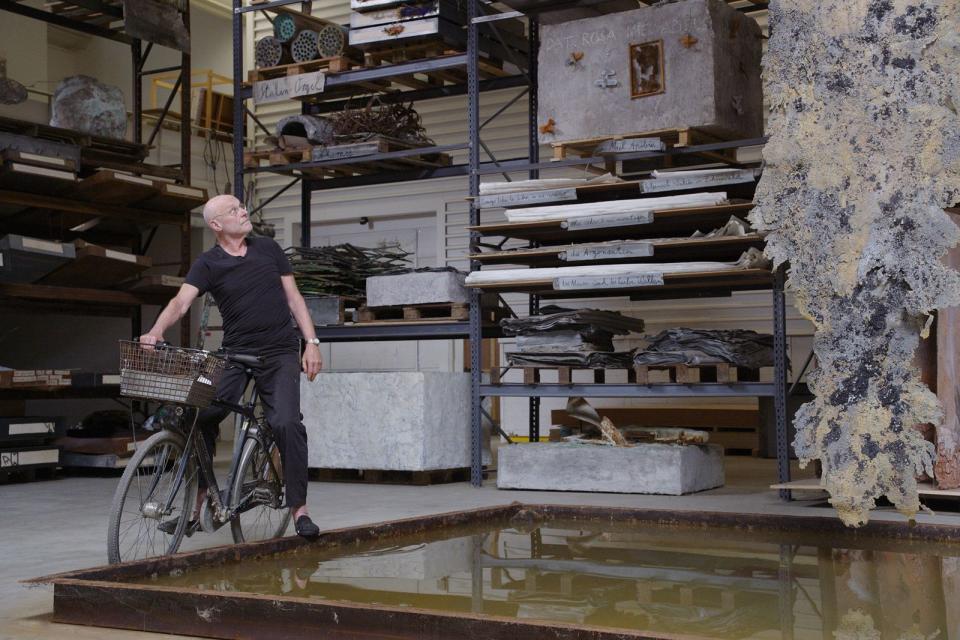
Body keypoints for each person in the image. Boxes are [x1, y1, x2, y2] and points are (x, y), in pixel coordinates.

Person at [139, 194, 322, 538]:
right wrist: (155, 331)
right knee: (199, 413)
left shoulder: (268, 249)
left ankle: (299, 510)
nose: (243, 211)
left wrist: (310, 343)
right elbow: (181, 302)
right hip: (234, 353)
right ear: (217, 225)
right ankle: (201, 504)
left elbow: (294, 298)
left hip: (279, 353)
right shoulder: (208, 263)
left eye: (241, 206)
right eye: (234, 210)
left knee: (285, 422)